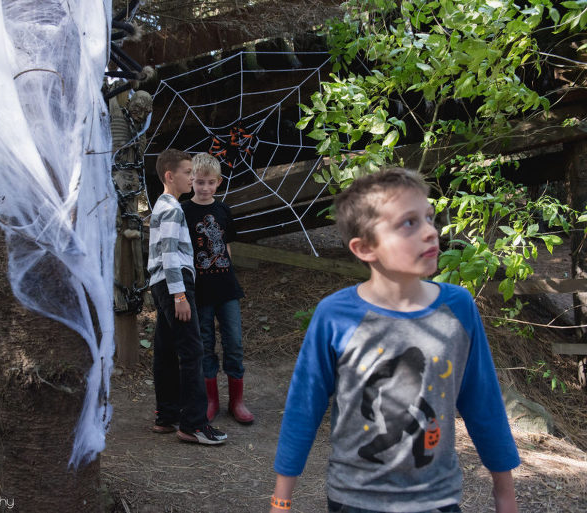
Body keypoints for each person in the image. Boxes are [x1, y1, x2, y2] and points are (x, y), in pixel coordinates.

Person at [270, 168, 519, 513]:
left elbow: (484, 402)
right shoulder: (335, 315)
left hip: (438, 499)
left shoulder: (458, 308)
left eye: (429, 218)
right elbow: (303, 406)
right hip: (355, 499)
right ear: (365, 248)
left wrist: (504, 493)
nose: (431, 232)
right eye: (409, 223)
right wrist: (282, 500)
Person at [147, 148, 227, 445]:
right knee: (192, 351)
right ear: (170, 176)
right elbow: (169, 252)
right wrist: (179, 294)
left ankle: (167, 415)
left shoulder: (163, 205)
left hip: (164, 284)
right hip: (174, 284)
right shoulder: (171, 207)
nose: (192, 177)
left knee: (166, 351)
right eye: (186, 173)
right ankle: (193, 424)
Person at [181, 153, 253, 424]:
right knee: (205, 343)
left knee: (234, 343)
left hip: (226, 289)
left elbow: (227, 245)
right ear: (191, 180)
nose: (205, 188)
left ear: (219, 182)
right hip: (200, 291)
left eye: (210, 182)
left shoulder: (223, 211)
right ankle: (210, 399)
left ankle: (237, 402)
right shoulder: (184, 211)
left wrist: (230, 274)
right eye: (199, 182)